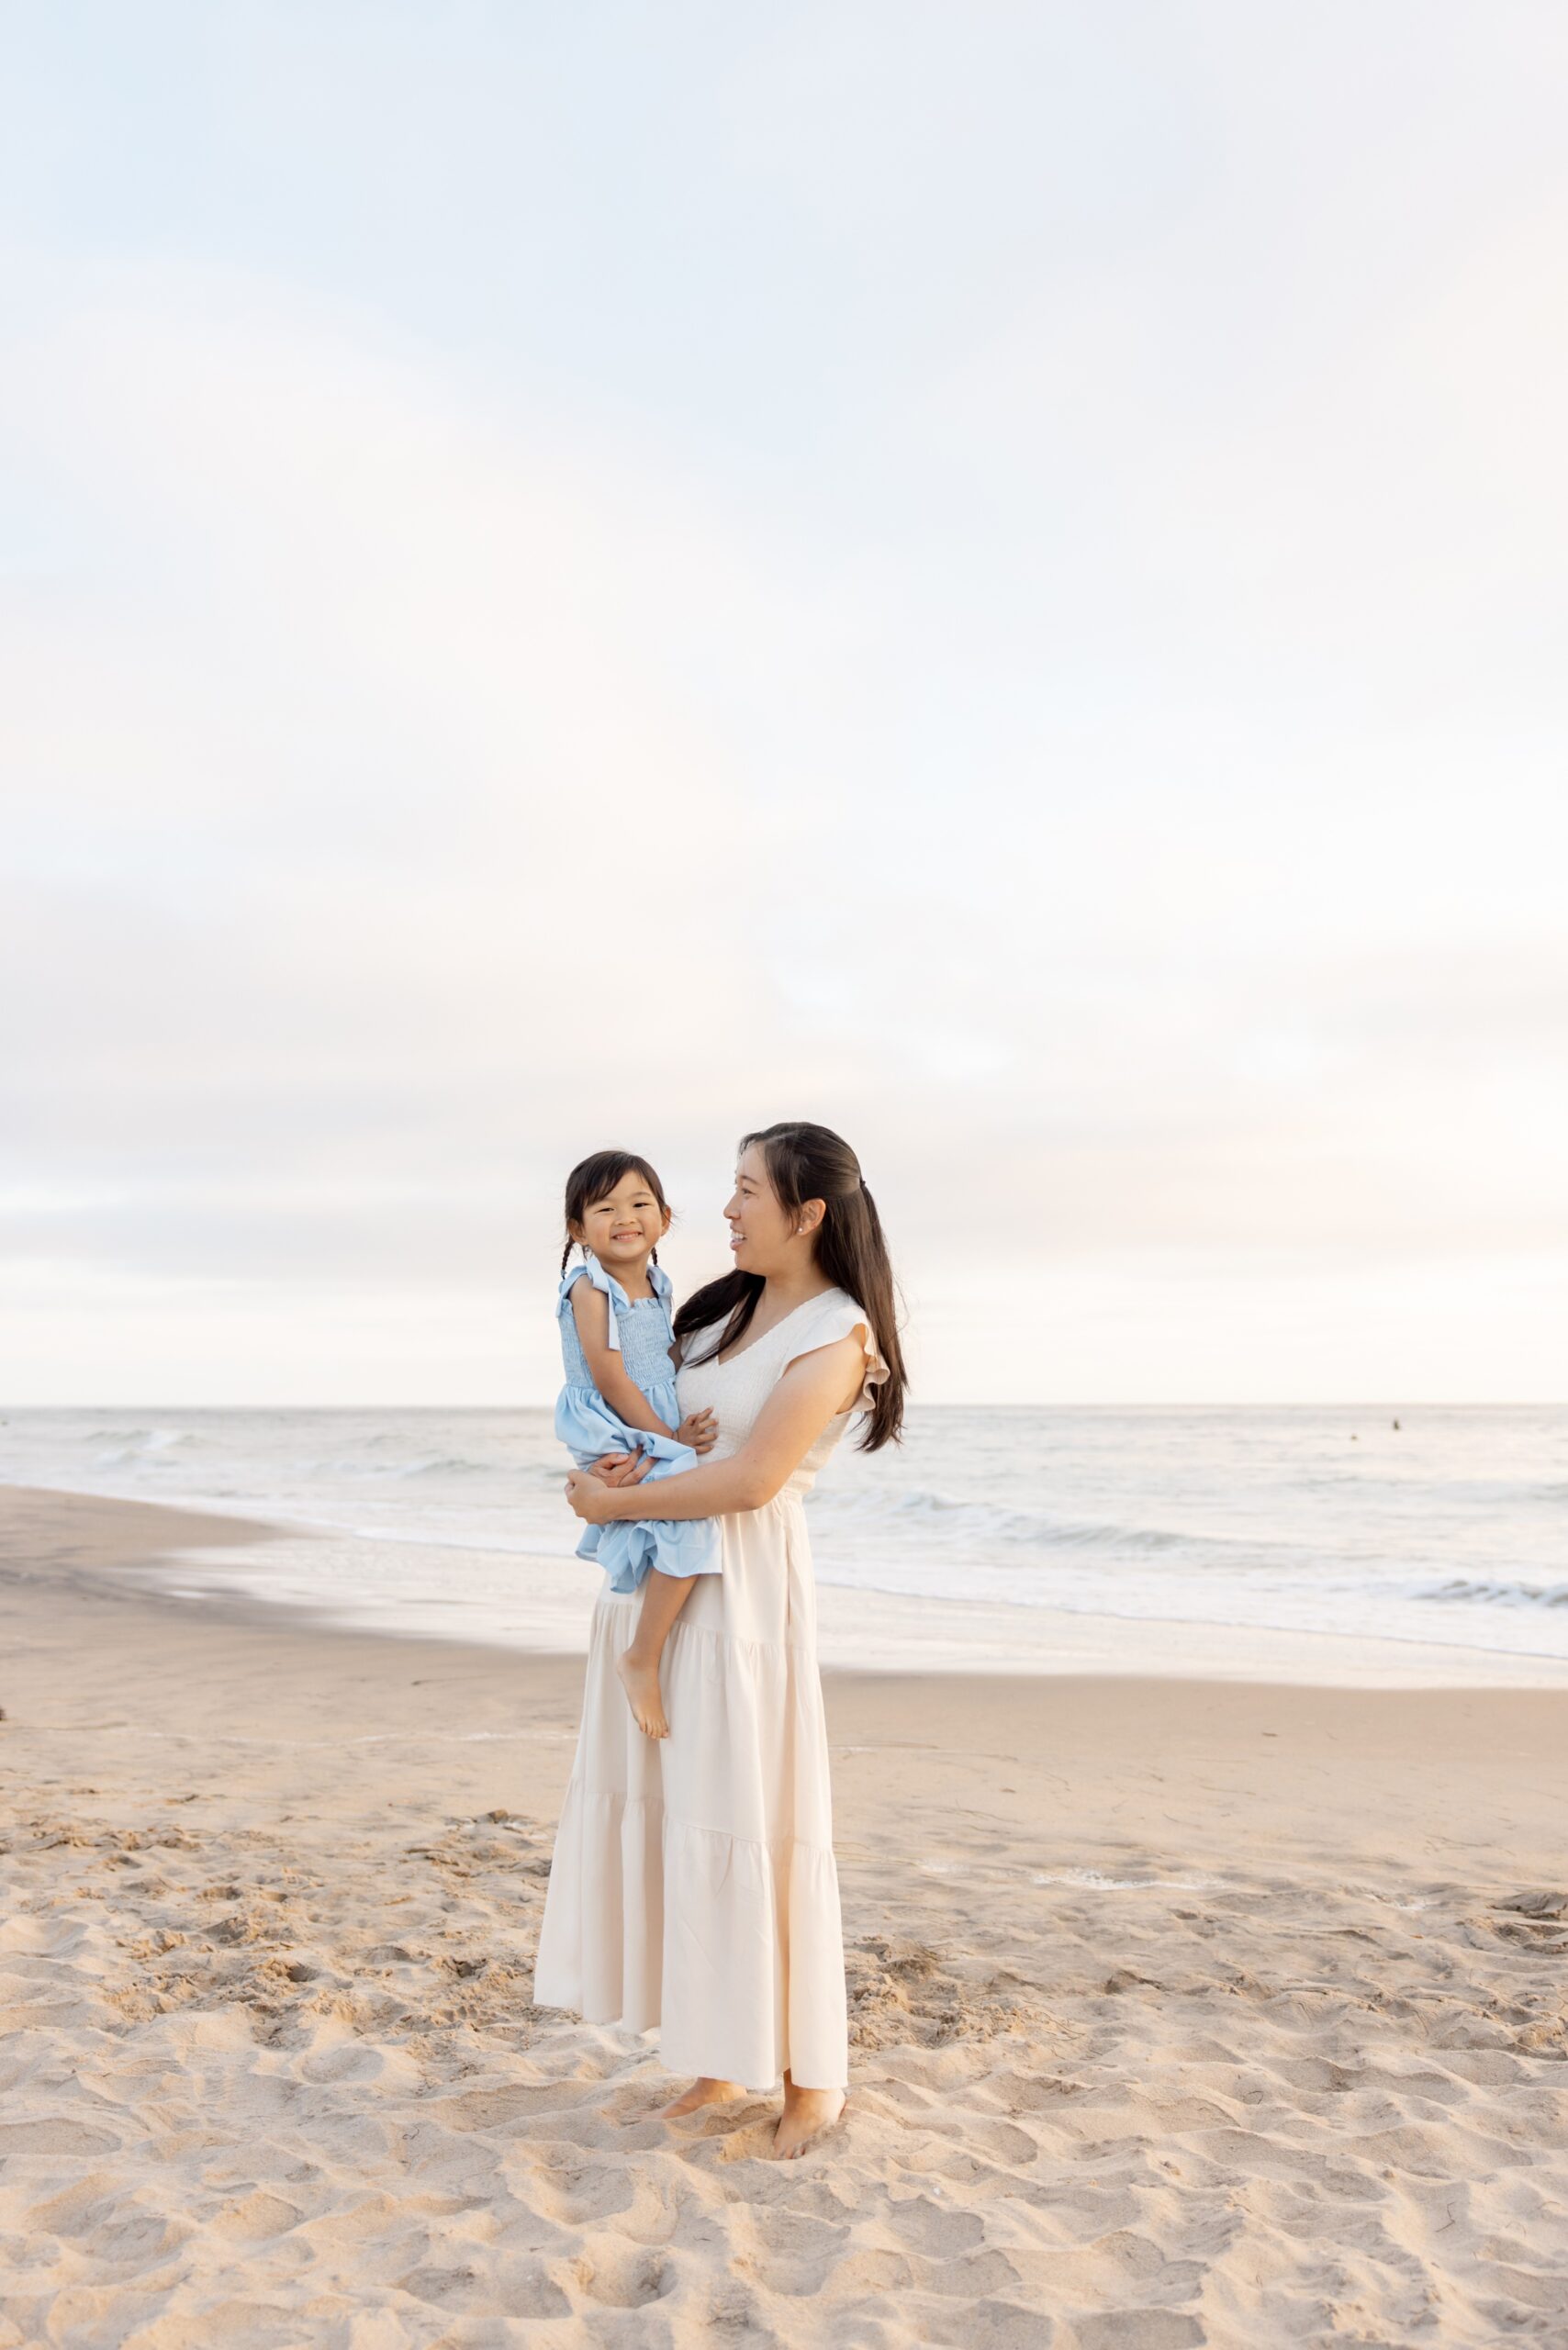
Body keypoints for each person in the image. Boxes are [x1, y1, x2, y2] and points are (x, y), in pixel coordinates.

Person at [533, 1120, 907, 2160]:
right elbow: (648, 1414)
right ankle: (714, 2052)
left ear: (807, 1211)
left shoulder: (836, 1335)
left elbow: (752, 1480)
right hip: (658, 1580)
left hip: (740, 1597)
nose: (727, 1209)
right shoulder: (713, 1310)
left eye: (746, 1190)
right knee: (682, 1818)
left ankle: (809, 2075)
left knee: (752, 1818)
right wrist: (610, 1474)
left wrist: (610, 1507)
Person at [554, 1149, 721, 1739]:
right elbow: (609, 1372)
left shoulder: (657, 1280)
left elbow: (661, 1358)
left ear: (665, 1218)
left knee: (659, 1515)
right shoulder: (589, 1284)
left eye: (639, 1203)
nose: (624, 1217)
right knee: (688, 1518)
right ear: (579, 1228)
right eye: (604, 1208)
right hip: (610, 1419)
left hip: (645, 1413)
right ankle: (641, 1658)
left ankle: (641, 1635)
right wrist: (668, 1437)